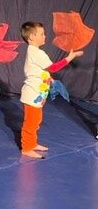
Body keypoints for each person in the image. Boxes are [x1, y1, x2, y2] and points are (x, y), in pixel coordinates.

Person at [20, 21, 82, 159]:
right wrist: (69, 58)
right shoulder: (37, 53)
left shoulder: (34, 52)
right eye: (41, 34)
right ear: (31, 37)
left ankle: (32, 143)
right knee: (31, 122)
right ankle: (27, 148)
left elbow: (39, 71)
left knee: (36, 121)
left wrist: (49, 79)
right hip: (32, 94)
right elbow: (53, 68)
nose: (45, 36)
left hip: (37, 94)